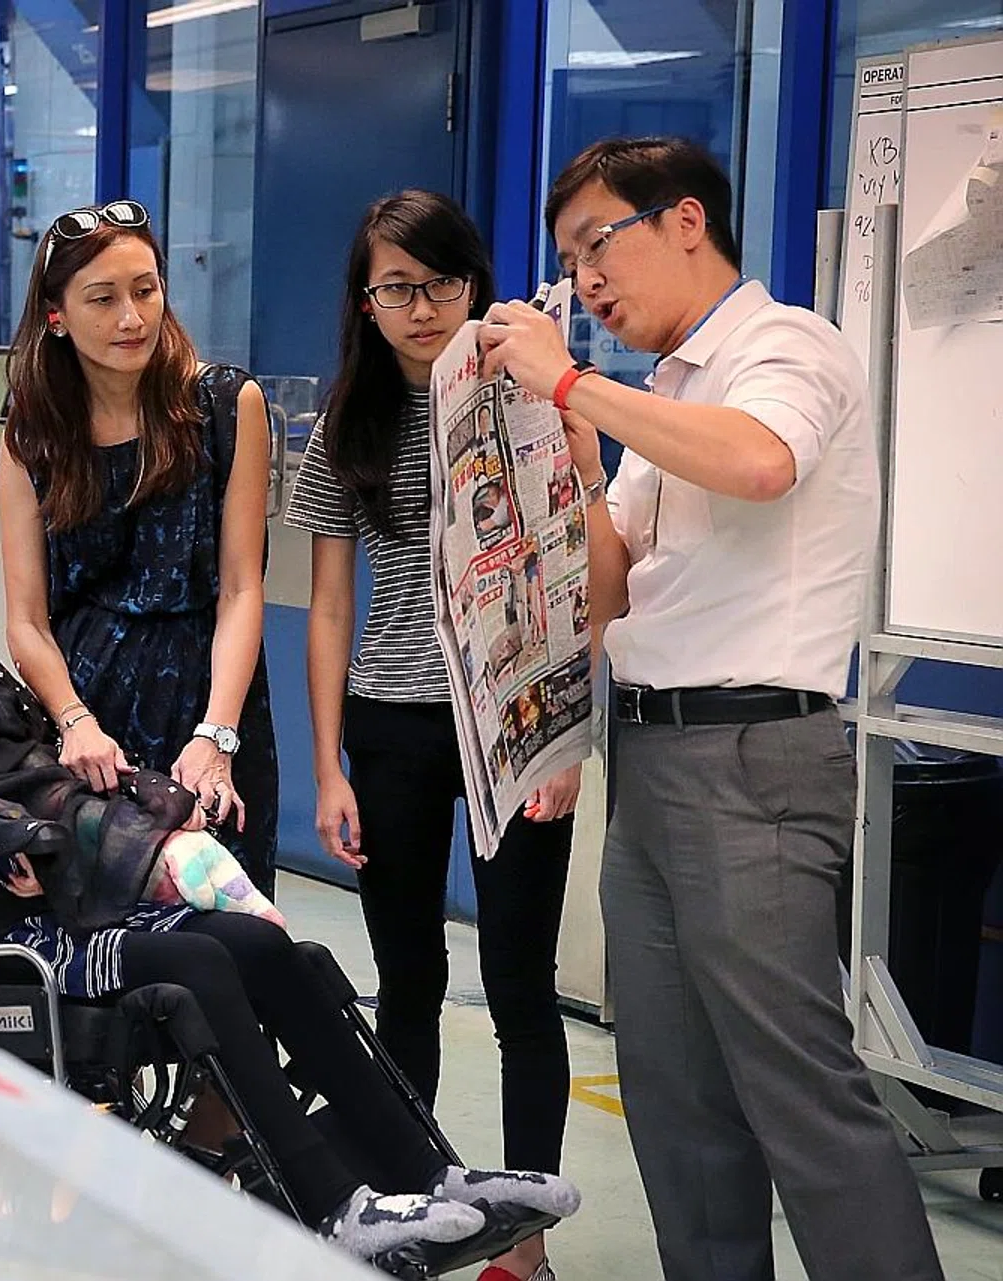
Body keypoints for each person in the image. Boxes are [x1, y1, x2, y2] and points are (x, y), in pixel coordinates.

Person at [0, 453, 582, 1270]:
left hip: (52, 891)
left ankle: (425, 1176)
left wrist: (123, 783)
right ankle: (337, 1210)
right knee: (193, 961)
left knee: (278, 951)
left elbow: (31, 749)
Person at [479, 136, 942, 1281]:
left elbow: (760, 464)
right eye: (572, 261)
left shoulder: (784, 345)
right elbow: (614, 591)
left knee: (796, 1091)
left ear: (687, 221)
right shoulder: (667, 392)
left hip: (753, 756)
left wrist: (574, 384)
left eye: (599, 245)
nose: (586, 282)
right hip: (653, 753)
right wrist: (572, 464)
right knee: (675, 1095)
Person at [286, 190, 579, 1281]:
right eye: (394, 288)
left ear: (475, 280)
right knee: (405, 982)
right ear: (364, 301)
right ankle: (411, 1208)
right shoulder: (344, 426)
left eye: (439, 282)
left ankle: (529, 1241)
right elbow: (328, 606)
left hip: (514, 723)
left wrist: (563, 743)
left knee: (518, 984)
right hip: (394, 722)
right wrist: (326, 768)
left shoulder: (533, 398)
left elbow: (565, 573)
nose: (419, 308)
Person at [0, 200, 278, 895]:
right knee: (103, 939)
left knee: (228, 921)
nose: (132, 318)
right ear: (56, 314)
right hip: (87, 717)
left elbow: (242, 588)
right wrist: (74, 722)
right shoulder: (32, 434)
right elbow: (28, 621)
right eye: (103, 299)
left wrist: (217, 736)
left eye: (145, 290)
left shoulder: (224, 403)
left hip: (209, 700)